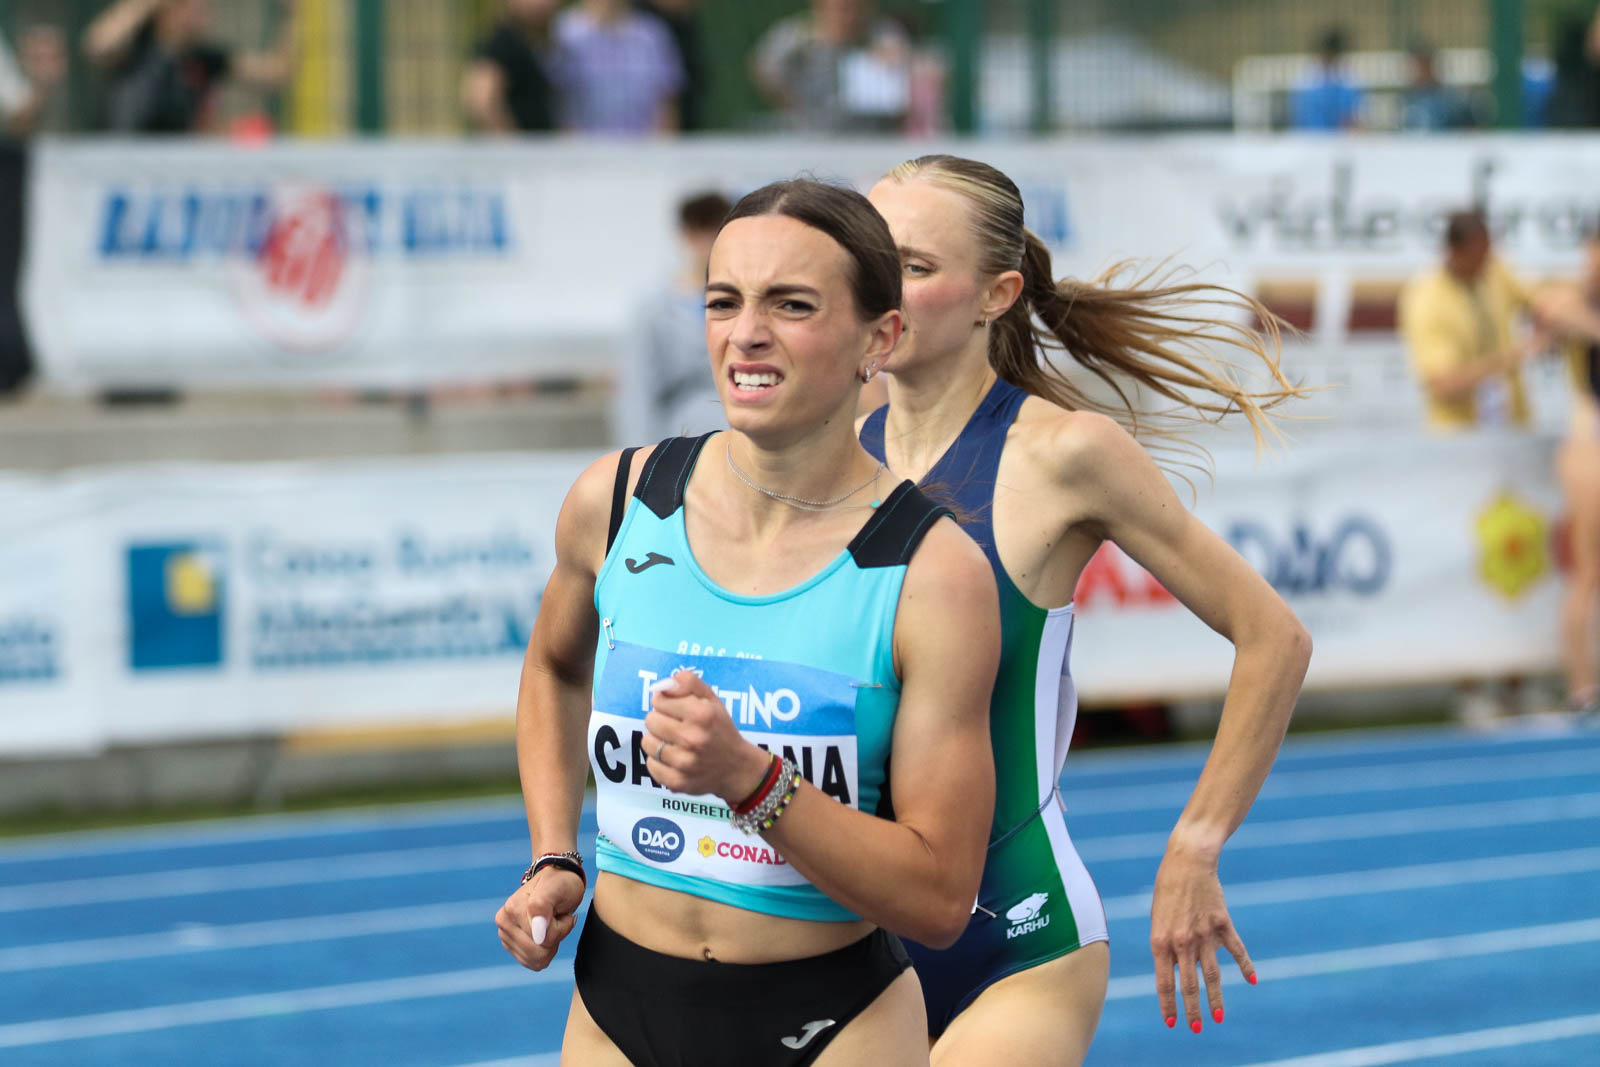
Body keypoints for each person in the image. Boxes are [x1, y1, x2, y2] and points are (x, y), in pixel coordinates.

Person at [496, 179, 1002, 1064]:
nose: (746, 333)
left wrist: (752, 780)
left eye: (792, 305)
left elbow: (938, 899)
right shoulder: (615, 501)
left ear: (879, 339)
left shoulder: (931, 571)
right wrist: (553, 854)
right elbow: (554, 668)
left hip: (833, 1019)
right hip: (617, 1003)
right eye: (723, 301)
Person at [860, 154, 1312, 1062]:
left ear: (996, 294)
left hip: (1018, 935)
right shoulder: (826, 447)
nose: (883, 290)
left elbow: (1274, 635)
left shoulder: (1065, 454)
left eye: (916, 265)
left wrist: (1197, 843)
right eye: (871, 261)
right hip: (849, 939)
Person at [611, 191, 732, 444]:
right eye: (699, 234)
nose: (706, 244)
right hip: (679, 437)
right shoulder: (654, 310)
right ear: (684, 236)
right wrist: (641, 457)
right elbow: (638, 391)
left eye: (714, 233)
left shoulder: (747, 302)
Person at [1400, 212, 1535, 432]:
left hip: (1511, 426)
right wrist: (1514, 356)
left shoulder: (1492, 270)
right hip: (1459, 437)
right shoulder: (1427, 300)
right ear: (1455, 250)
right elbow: (1443, 384)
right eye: (1478, 256)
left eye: (1487, 254)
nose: (1485, 263)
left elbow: (1539, 301)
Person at [83, 0, 295, 135]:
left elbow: (276, 73)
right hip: (119, 162)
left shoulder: (204, 58)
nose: (204, 10)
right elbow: (97, 44)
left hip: (171, 171)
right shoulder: (134, 47)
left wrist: (291, 17)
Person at [751, 0, 911, 134]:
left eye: (854, 8)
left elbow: (910, 72)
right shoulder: (796, 36)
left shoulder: (882, 34)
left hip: (872, 138)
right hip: (811, 137)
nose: (847, 17)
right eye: (840, 9)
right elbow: (764, 69)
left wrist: (890, 62)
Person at [549, 0, 684, 135]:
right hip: (579, 146)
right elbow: (559, 106)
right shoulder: (562, 32)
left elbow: (667, 107)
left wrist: (657, 146)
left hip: (644, 146)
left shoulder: (654, 35)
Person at [462, 0, 560, 133]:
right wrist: (509, 142)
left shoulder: (528, 41)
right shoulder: (503, 42)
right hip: (522, 144)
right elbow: (481, 100)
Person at [1288, 26, 1361, 131]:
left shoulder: (1347, 84)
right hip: (1311, 135)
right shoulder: (1308, 83)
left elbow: (1351, 120)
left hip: (1331, 136)